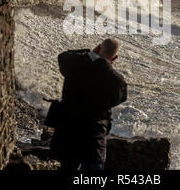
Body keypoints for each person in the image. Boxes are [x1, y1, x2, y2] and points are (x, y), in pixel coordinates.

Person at [50, 38, 127, 170]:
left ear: (97, 48)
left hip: (69, 134)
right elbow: (120, 98)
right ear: (115, 57)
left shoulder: (75, 65)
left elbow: (63, 56)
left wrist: (88, 53)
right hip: (94, 140)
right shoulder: (116, 80)